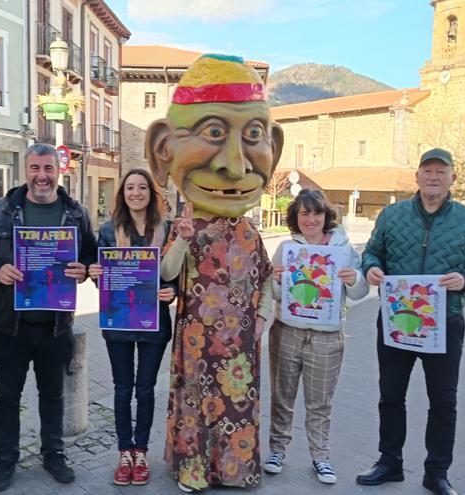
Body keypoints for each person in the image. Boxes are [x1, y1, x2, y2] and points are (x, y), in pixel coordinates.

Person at [146, 54, 284, 493]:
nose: (235, 165)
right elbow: (165, 271)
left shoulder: (249, 231)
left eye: (253, 137)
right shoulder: (187, 227)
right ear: (165, 149)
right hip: (196, 336)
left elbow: (267, 277)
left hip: (241, 339)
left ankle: (235, 469)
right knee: (196, 403)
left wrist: (263, 316)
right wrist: (182, 237)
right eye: (212, 133)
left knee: (236, 406)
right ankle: (193, 469)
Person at [357, 148, 465, 495]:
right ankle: (389, 462)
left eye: (441, 172)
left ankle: (436, 472)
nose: (433, 177)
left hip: (444, 323)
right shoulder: (392, 216)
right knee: (390, 395)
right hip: (396, 320)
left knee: (443, 401)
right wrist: (371, 268)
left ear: (452, 178)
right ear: (417, 177)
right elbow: (373, 253)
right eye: (427, 171)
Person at [0, 143, 97, 491]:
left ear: (59, 171)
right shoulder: (0, 211)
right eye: (35, 168)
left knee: (52, 393)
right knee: (7, 395)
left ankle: (53, 453)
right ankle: (6, 459)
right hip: (10, 324)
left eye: (48, 169)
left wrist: (83, 269)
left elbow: (89, 252)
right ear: (25, 171)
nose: (42, 176)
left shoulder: (76, 213)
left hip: (55, 325)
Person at [263, 188, 369, 484]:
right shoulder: (286, 248)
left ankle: (320, 456)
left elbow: (359, 293)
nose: (311, 219)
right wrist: (276, 279)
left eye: (317, 213)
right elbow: (274, 293)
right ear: (296, 218)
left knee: (319, 402)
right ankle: (277, 450)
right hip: (287, 331)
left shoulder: (344, 250)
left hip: (326, 336)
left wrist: (355, 278)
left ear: (326, 216)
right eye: (304, 213)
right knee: (282, 396)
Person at [87, 169, 177, 486]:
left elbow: (175, 274)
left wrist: (172, 291)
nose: (135, 193)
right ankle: (124, 452)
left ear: (151, 193)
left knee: (146, 390)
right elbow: (104, 280)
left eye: (142, 187)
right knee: (123, 390)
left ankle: (141, 452)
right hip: (120, 322)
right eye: (130, 188)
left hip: (154, 323)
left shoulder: (166, 230)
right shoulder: (109, 230)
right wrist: (96, 273)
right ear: (122, 194)